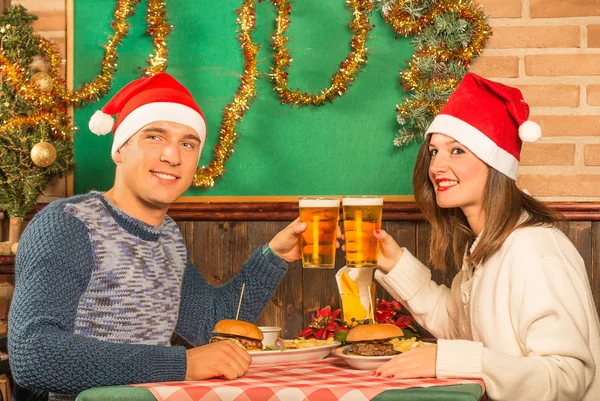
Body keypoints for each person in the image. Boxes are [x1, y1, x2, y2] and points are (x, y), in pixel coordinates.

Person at [8, 72, 307, 401]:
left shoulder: (168, 238)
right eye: (154, 137)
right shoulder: (68, 223)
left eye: (187, 143)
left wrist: (274, 256)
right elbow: (33, 355)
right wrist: (180, 364)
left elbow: (210, 325)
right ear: (119, 150)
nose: (173, 156)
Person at [371, 72, 600, 401]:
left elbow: (567, 377)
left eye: (458, 151)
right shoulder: (486, 246)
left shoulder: (533, 250)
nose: (437, 166)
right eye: (434, 152)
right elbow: (457, 326)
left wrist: (448, 359)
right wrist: (395, 265)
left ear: (496, 165)